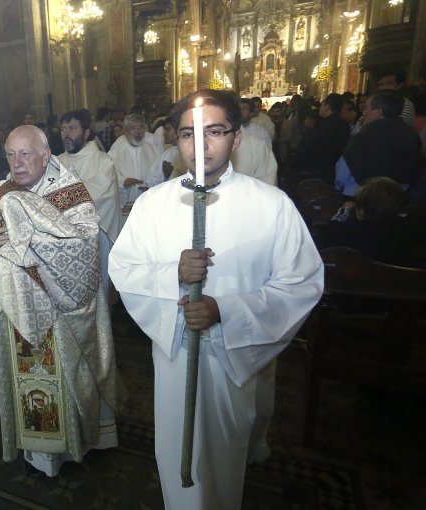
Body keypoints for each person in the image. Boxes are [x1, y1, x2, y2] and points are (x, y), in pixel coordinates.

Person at [108, 90, 324, 509]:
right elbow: (124, 268)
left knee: (224, 455)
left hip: (235, 355)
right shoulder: (153, 205)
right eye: (188, 134)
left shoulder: (272, 206)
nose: (201, 145)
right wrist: (172, 273)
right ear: (175, 139)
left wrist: (223, 309)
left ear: (237, 138)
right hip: (174, 355)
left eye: (215, 132)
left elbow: (301, 283)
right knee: (176, 452)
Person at [0, 125, 121, 477]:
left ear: (45, 155)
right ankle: (41, 453)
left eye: (25, 154)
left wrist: (26, 240)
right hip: (17, 312)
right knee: (30, 385)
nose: (17, 164)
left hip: (60, 314)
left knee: (66, 377)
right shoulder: (0, 193)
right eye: (10, 155)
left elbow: (83, 247)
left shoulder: (69, 193)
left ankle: (77, 443)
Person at [56, 109, 122, 289]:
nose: (66, 134)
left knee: (95, 293)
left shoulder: (103, 162)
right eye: (63, 129)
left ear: (86, 133)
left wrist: (61, 195)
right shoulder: (56, 162)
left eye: (72, 129)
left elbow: (101, 197)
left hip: (95, 240)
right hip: (61, 242)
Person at [324, 177, 426, 265]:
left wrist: (344, 210)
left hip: (356, 284)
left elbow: (331, 228)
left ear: (362, 203)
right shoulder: (408, 227)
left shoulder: (348, 230)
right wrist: (399, 213)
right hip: (397, 284)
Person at [108, 113, 161, 208]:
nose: (138, 132)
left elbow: (159, 175)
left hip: (148, 204)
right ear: (125, 131)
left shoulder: (152, 150)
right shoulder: (116, 150)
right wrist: (124, 181)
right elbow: (108, 175)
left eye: (141, 127)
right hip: (125, 204)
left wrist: (151, 187)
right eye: (133, 128)